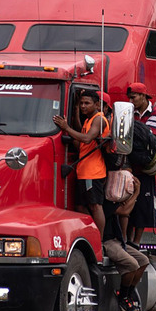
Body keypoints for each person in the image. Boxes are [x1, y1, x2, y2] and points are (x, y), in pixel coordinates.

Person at [53, 90, 110, 235]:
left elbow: (86, 138)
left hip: (94, 172)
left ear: (97, 104)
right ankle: (91, 232)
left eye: (87, 103)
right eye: (81, 103)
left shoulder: (99, 119)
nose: (84, 106)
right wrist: (75, 114)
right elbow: (81, 141)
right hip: (84, 170)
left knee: (95, 206)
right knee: (79, 206)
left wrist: (66, 128)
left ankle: (100, 238)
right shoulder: (87, 120)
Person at [126, 82, 156, 245]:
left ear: (143, 96)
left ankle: (136, 241)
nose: (131, 100)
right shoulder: (130, 112)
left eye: (133, 97)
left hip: (146, 166)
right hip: (132, 165)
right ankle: (127, 239)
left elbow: (149, 137)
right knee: (128, 204)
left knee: (143, 205)